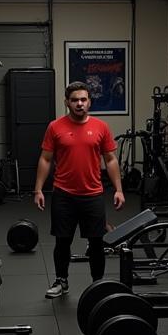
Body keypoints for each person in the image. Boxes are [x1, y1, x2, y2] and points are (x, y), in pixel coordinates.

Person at [34, 81, 125, 298]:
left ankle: (98, 283)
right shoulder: (55, 127)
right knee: (62, 240)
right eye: (74, 100)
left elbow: (110, 159)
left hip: (92, 194)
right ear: (67, 102)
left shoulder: (101, 127)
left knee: (96, 242)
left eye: (83, 99)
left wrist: (119, 189)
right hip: (63, 194)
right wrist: (38, 189)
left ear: (89, 102)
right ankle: (61, 280)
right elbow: (45, 159)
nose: (79, 104)